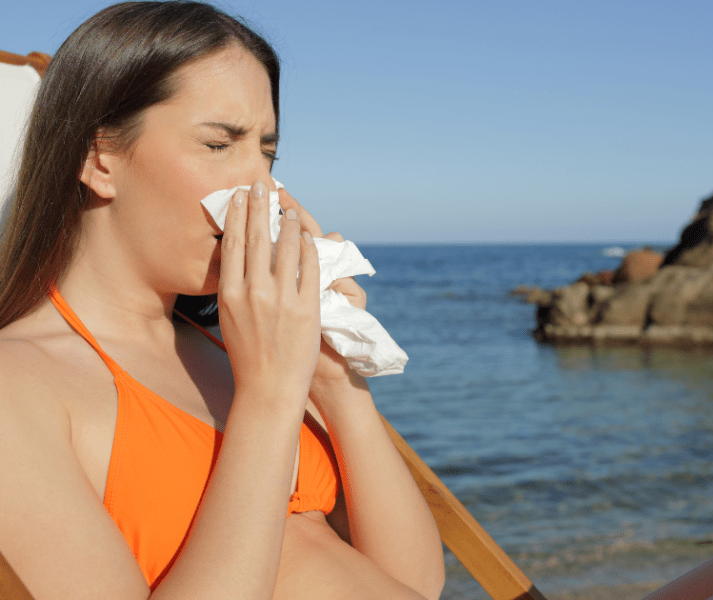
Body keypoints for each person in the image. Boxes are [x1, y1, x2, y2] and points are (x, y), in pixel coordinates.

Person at [0, 2, 445, 599]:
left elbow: (413, 582)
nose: (264, 187)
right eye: (218, 145)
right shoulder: (20, 385)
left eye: (267, 151)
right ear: (97, 158)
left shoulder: (238, 348)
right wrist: (267, 399)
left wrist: (336, 382)